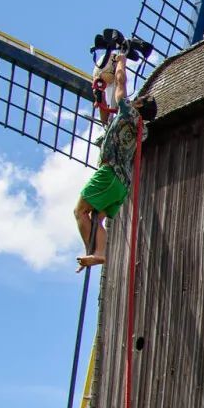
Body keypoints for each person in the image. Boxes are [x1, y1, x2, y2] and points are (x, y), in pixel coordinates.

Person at [73, 50, 142, 269]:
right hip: (122, 185)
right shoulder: (140, 129)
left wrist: (121, 62)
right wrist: (101, 96)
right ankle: (98, 254)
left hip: (109, 173)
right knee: (96, 219)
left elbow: (121, 83)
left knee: (80, 211)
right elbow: (106, 120)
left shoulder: (126, 112)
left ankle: (91, 252)